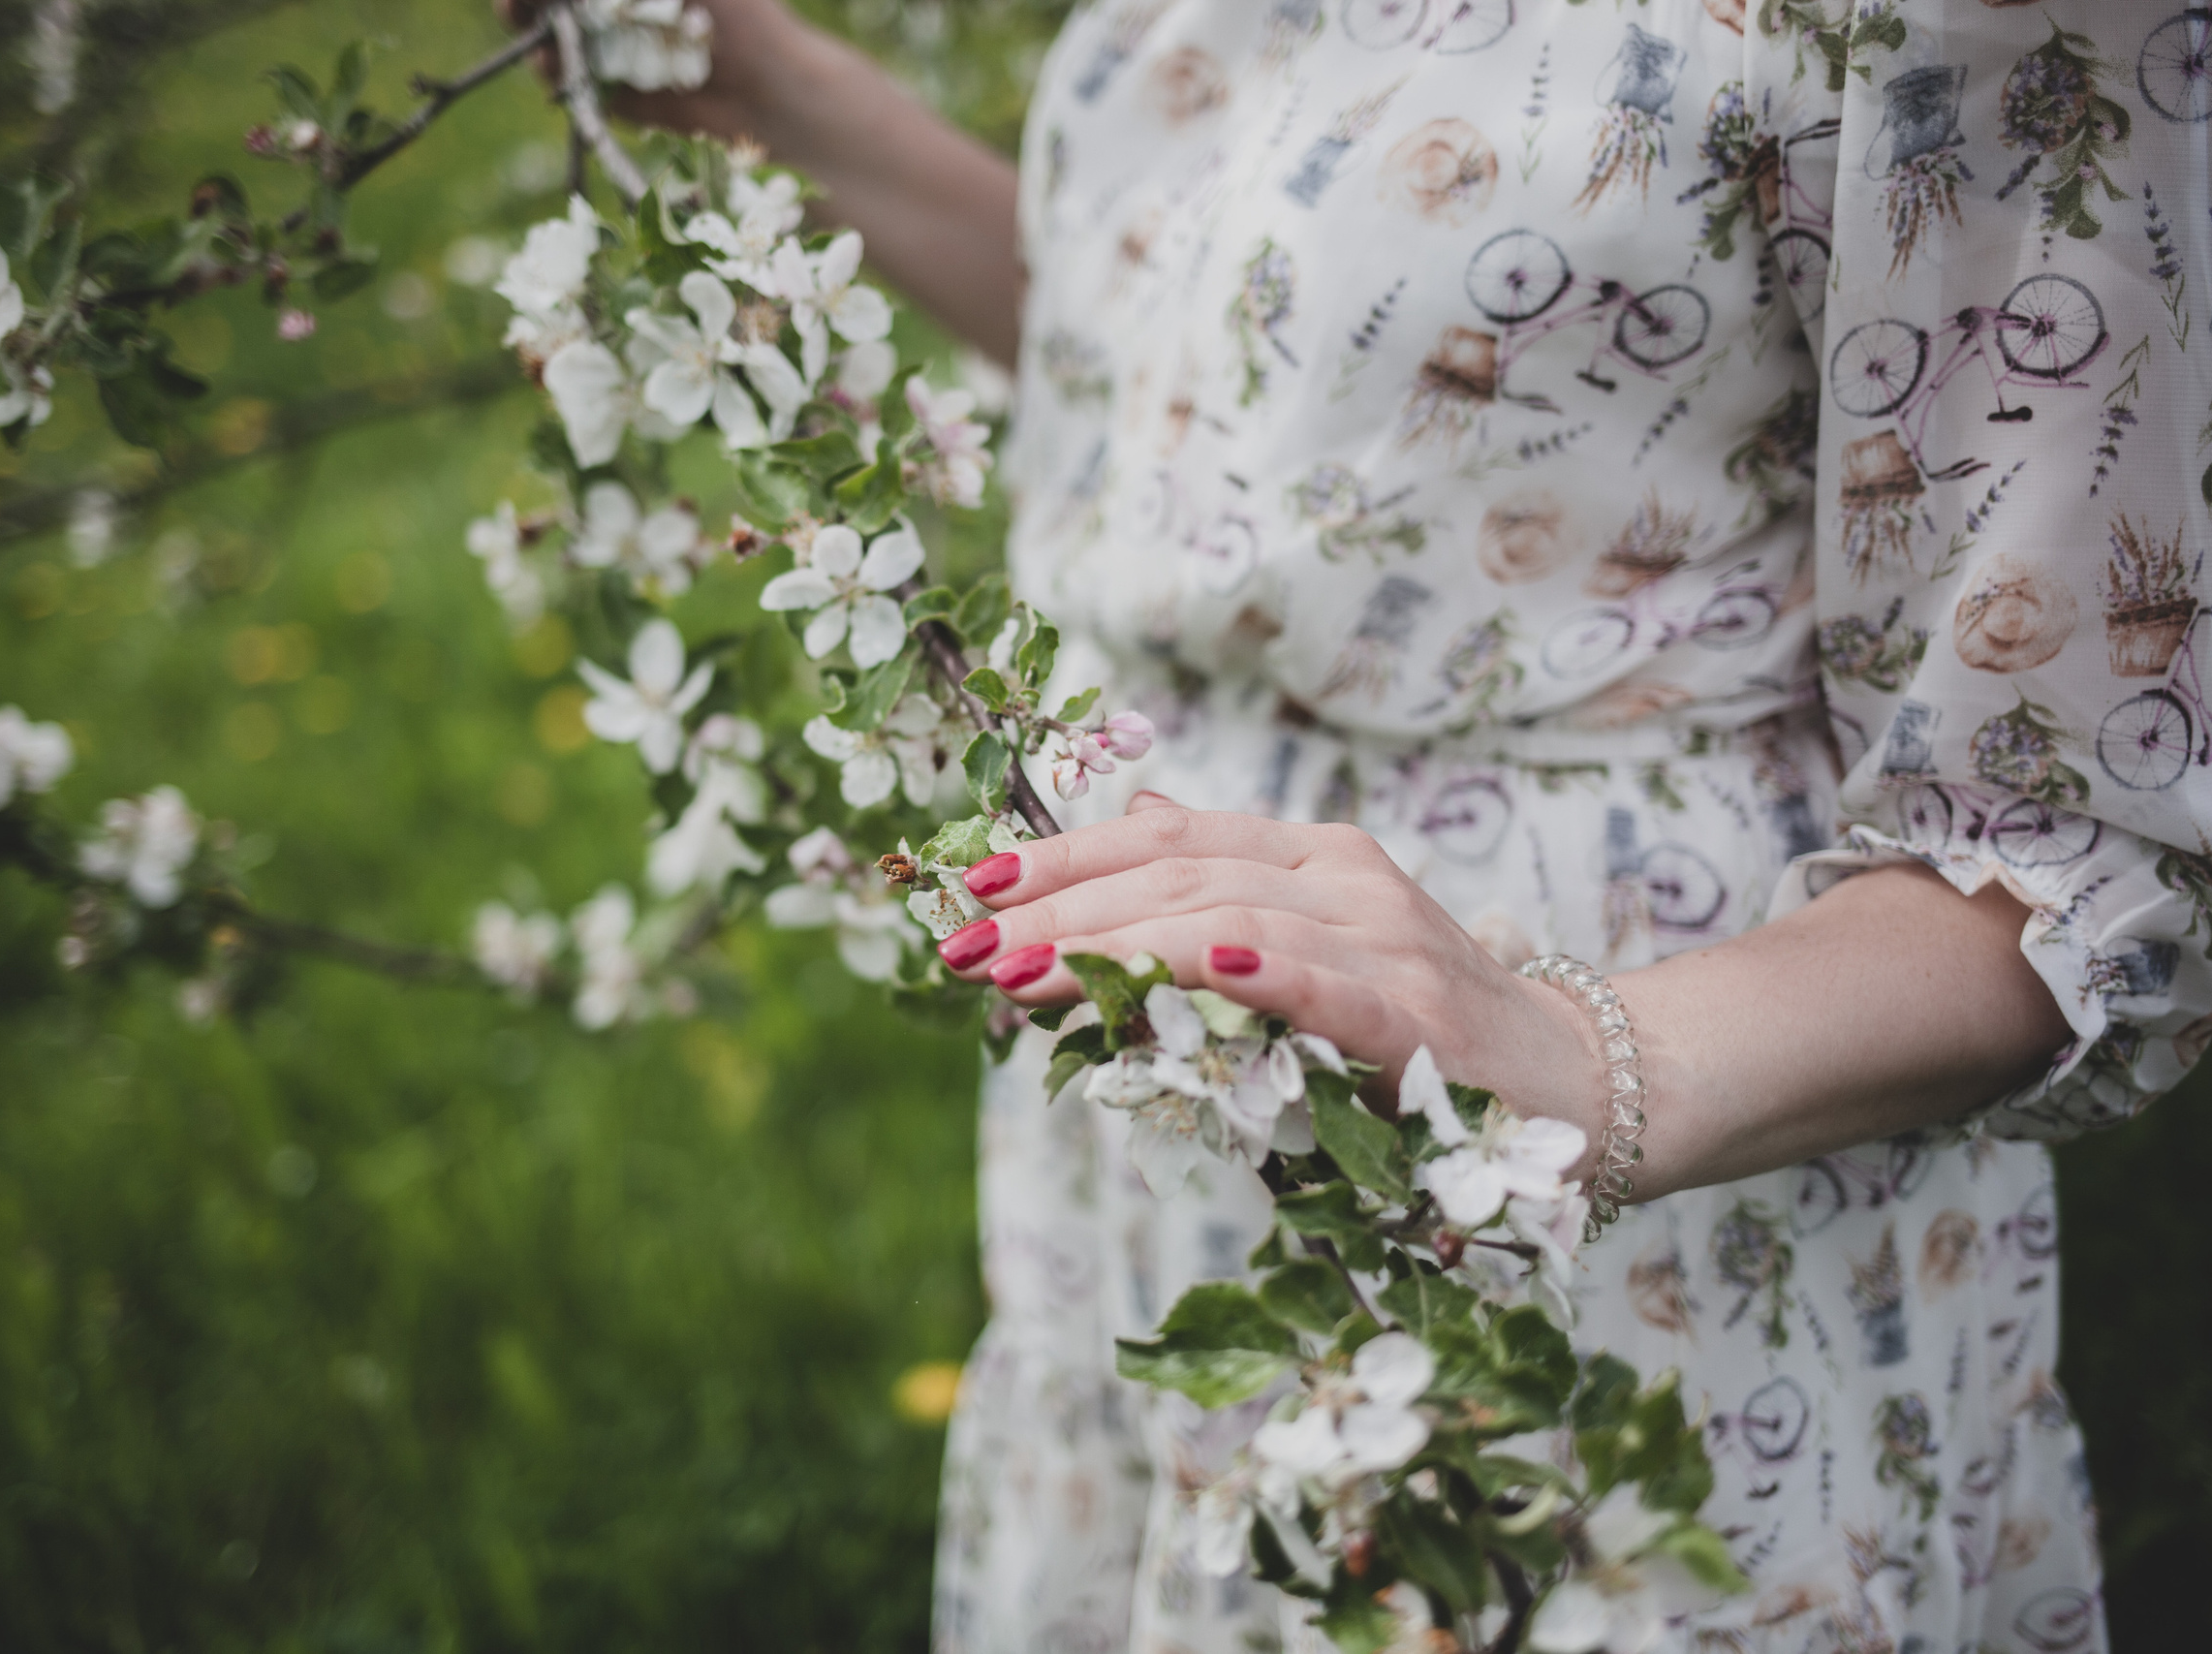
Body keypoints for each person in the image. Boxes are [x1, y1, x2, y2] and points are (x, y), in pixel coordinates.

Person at [509, 2, 2212, 1648]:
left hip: (1621, 1183)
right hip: (1167, 1106)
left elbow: (2077, 854)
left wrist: (1573, 1058)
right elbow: (1254, 402)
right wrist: (758, 76)